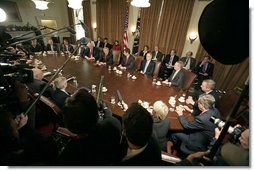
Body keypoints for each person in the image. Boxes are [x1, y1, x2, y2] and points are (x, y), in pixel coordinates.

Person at [58, 88, 121, 165]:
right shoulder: (112, 126)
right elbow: (109, 120)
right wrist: (105, 109)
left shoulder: (69, 154)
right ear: (96, 114)